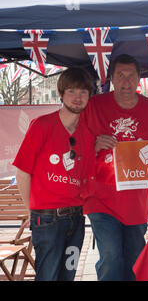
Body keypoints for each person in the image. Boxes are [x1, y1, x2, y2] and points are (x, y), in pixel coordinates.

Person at [81, 54, 148, 281]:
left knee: (134, 258)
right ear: (112, 78)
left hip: (136, 201)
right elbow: (72, 146)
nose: (125, 82)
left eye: (130, 76)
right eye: (120, 76)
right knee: (111, 256)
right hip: (100, 199)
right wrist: (92, 145)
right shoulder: (93, 106)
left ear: (138, 79)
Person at [13, 67, 95, 281]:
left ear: (89, 96)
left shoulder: (86, 134)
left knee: (68, 276)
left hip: (76, 218)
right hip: (47, 218)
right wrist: (30, 212)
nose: (77, 97)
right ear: (61, 93)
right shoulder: (42, 125)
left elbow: (84, 176)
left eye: (83, 92)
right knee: (48, 277)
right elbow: (22, 172)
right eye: (71, 91)